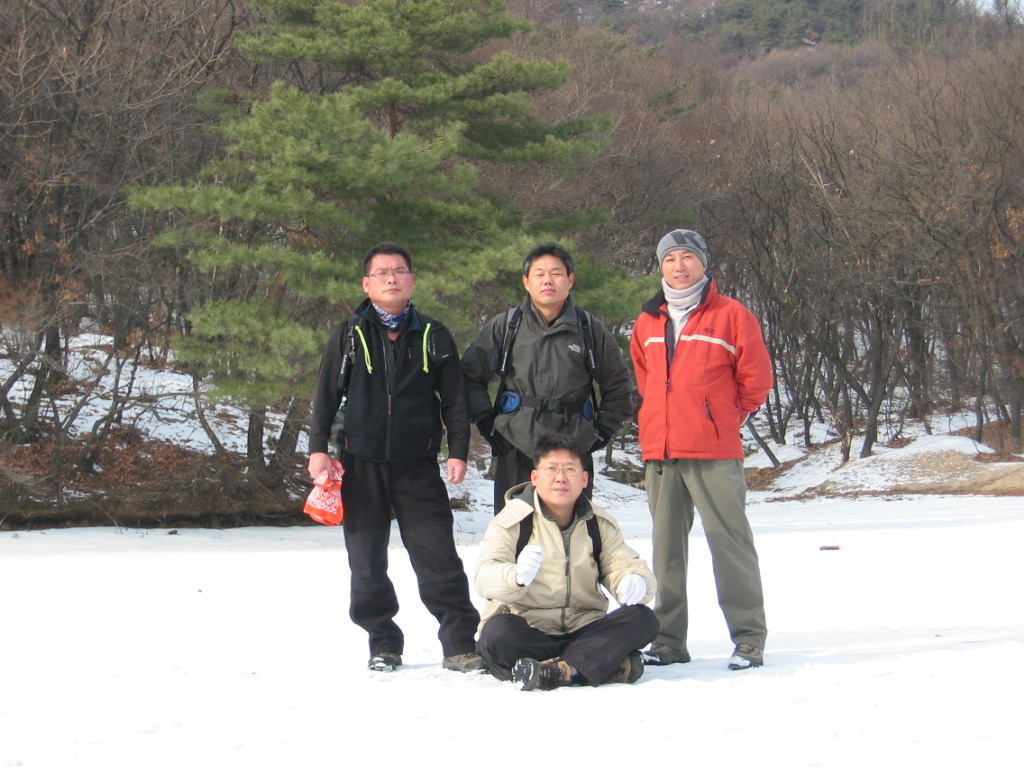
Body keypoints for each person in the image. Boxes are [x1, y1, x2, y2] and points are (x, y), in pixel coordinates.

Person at [307, 242, 485, 674]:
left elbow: (455, 400)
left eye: (399, 271)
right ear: (366, 283)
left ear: (412, 280)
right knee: (366, 563)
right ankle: (383, 643)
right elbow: (325, 396)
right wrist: (318, 450)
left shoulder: (434, 335)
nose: (391, 278)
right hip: (359, 464)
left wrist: (458, 450)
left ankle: (459, 645)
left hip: (417, 466)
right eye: (382, 272)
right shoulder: (348, 334)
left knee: (438, 557)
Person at [630, 228, 773, 670]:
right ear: (660, 266)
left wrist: (725, 418)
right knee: (666, 552)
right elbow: (645, 380)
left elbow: (757, 379)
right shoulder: (647, 321)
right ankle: (668, 641)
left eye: (687, 257)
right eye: (670, 258)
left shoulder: (732, 315)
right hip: (662, 452)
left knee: (731, 546)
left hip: (714, 452)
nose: (679, 266)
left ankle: (748, 639)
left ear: (703, 263)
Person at [474, 432, 659, 691]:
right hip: (530, 629)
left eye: (570, 469)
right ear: (535, 477)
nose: (561, 477)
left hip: (585, 628)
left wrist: (636, 579)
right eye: (552, 469)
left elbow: (622, 563)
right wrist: (514, 576)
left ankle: (556, 671)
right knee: (497, 634)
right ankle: (593, 666)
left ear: (584, 479)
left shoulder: (598, 523)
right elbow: (484, 575)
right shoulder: (511, 521)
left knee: (643, 618)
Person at [461, 242, 632, 514]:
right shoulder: (507, 326)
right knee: (515, 529)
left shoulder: (588, 329)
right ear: (526, 282)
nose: (548, 280)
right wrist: (488, 425)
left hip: (572, 449)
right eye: (539, 274)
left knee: (571, 531)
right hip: (515, 445)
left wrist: (599, 433)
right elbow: (469, 377)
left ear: (570, 280)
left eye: (556, 273)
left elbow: (619, 386)